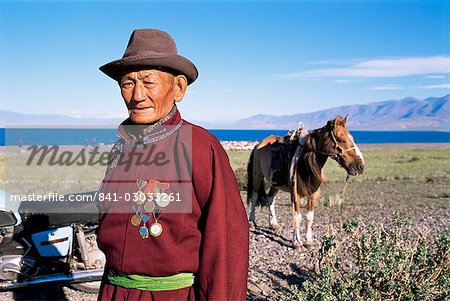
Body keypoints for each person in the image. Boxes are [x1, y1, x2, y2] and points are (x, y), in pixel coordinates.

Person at [96, 29, 249, 301]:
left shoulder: (201, 147)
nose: (137, 95)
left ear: (178, 88)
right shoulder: (121, 147)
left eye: (148, 82)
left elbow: (225, 243)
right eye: (127, 83)